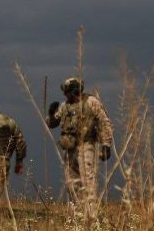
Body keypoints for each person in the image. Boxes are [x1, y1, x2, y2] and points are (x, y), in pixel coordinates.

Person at [46, 77, 113, 215]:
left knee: (88, 181)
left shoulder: (91, 102)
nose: (65, 95)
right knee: (72, 183)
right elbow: (51, 124)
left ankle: (91, 214)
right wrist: (51, 114)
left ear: (74, 90)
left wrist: (106, 144)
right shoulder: (64, 106)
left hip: (86, 146)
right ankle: (77, 214)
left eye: (67, 92)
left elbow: (104, 122)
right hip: (69, 149)